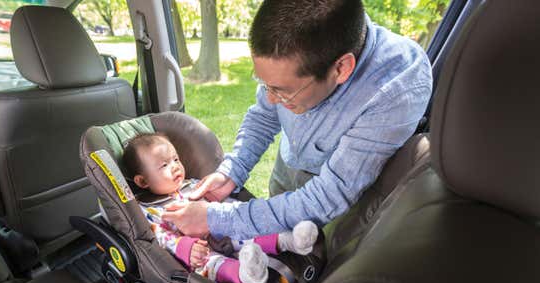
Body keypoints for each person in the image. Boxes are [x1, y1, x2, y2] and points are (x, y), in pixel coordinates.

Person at [162, 0, 433, 242]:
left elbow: (329, 196)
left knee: (315, 258)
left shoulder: (397, 87)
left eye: (282, 90)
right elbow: (264, 115)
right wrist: (233, 170)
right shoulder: (289, 62)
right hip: (290, 162)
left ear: (341, 69)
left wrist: (217, 218)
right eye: (264, 84)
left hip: (346, 198)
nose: (270, 99)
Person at [122, 133, 318, 283]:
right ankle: (246, 274)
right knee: (210, 264)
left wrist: (228, 205)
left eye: (175, 159)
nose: (175, 167)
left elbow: (223, 204)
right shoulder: (150, 210)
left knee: (245, 230)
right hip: (197, 251)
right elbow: (161, 237)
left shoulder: (194, 185)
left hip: (221, 230)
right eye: (164, 165)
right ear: (143, 181)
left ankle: (290, 240)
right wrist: (183, 247)